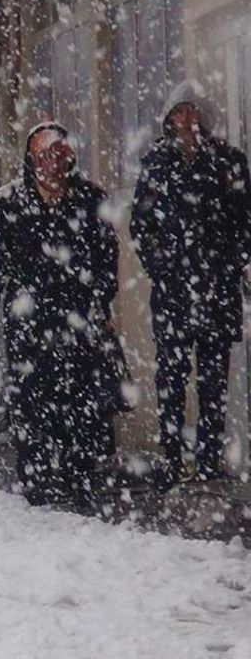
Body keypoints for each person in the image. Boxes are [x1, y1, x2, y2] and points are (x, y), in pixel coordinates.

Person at [0, 122, 119, 507]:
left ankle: (78, 473)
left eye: (59, 152)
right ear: (31, 159)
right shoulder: (13, 203)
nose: (53, 162)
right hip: (28, 318)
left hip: (76, 314)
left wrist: (101, 301)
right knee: (31, 398)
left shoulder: (89, 199)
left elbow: (106, 255)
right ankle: (35, 476)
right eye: (45, 154)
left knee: (80, 396)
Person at [130, 81, 251, 486]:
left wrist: (230, 265)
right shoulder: (156, 164)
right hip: (173, 293)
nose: (186, 120)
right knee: (171, 377)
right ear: (169, 119)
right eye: (179, 112)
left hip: (217, 289)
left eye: (193, 111)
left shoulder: (229, 162)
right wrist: (163, 268)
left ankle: (209, 459)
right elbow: (141, 225)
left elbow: (244, 222)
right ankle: (172, 457)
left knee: (213, 380)